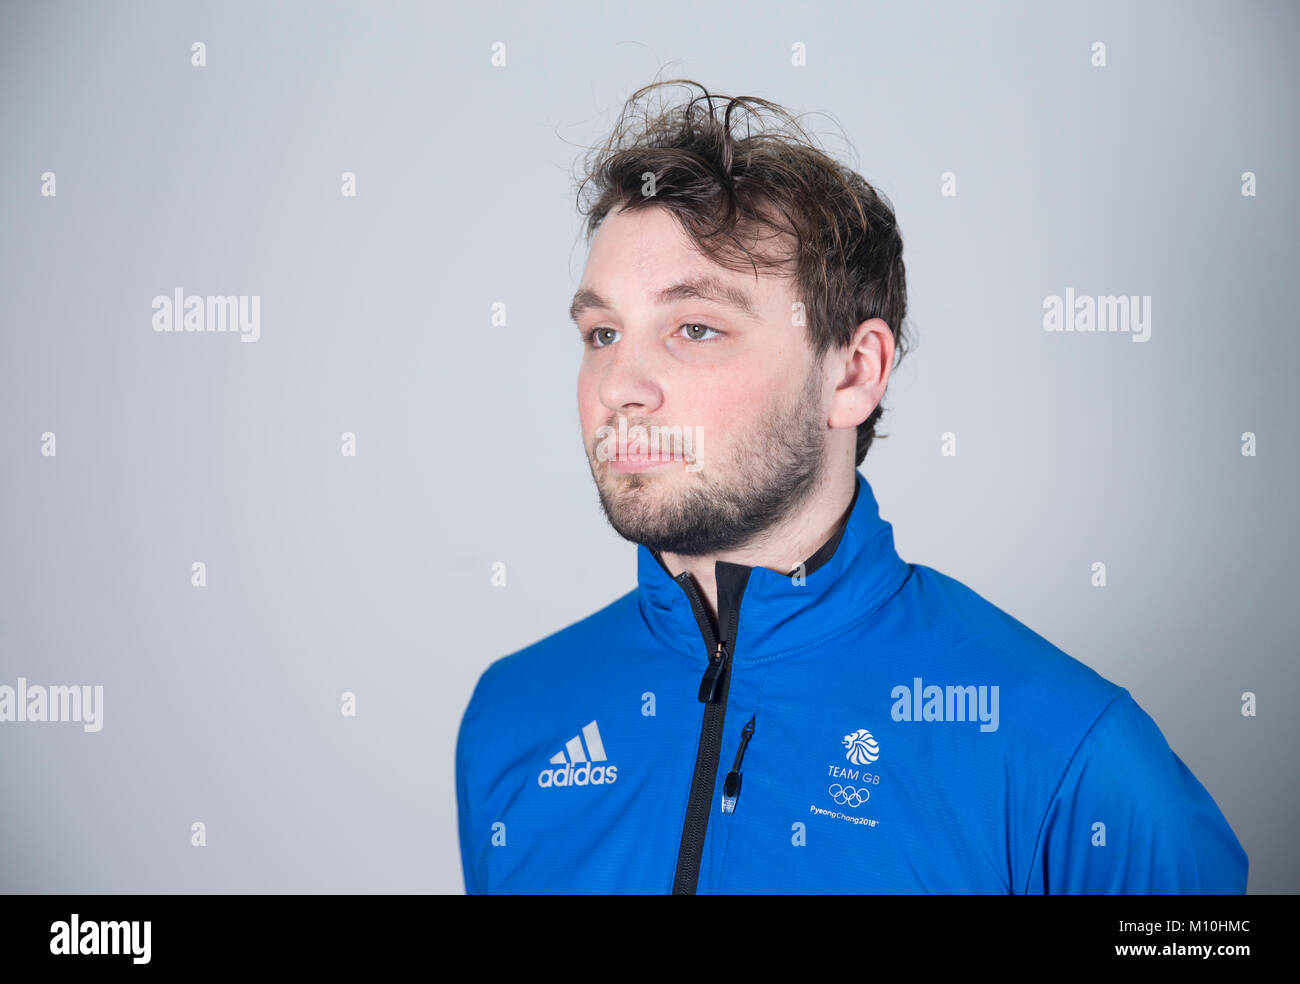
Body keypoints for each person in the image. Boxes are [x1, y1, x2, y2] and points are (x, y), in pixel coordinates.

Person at [455, 79, 1249, 894]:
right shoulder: (513, 718)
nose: (621, 386)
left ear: (854, 372)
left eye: (695, 327)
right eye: (602, 333)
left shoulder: (1067, 753)